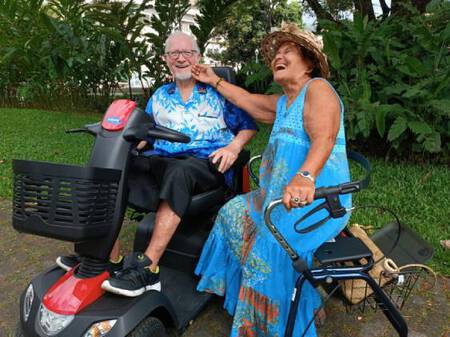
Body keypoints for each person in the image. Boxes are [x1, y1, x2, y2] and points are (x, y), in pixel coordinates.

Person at [57, 31, 257, 298]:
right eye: (174, 53)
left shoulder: (217, 92)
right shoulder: (160, 95)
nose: (181, 58)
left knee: (180, 172)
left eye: (187, 52)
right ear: (166, 60)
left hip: (204, 163)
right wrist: (126, 146)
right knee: (109, 173)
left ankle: (148, 269)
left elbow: (248, 126)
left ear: (198, 57)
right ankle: (105, 258)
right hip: (161, 160)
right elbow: (145, 133)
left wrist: (233, 147)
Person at [192, 23, 351, 337]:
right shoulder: (283, 103)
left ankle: (274, 326)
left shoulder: (317, 89)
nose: (278, 56)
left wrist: (306, 176)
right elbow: (247, 100)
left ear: (308, 63)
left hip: (317, 201)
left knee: (268, 250)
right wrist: (215, 80)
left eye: (287, 51)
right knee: (232, 214)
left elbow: (325, 137)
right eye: (276, 53)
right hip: (277, 199)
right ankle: (296, 297)